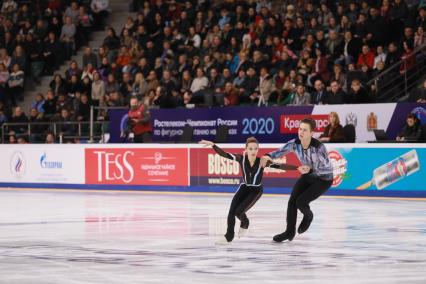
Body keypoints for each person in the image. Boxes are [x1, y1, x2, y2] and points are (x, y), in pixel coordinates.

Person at [199, 137, 299, 243]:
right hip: (244, 187)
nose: (253, 151)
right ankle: (229, 236)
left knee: (239, 212)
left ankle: (245, 222)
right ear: (246, 149)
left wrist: (297, 168)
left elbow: (280, 166)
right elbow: (225, 154)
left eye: (255, 149)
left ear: (258, 150)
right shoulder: (241, 159)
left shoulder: (262, 161)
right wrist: (213, 145)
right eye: (250, 149)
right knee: (232, 211)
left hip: (256, 191)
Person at [261, 118, 333, 242]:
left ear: (311, 133)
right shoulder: (295, 144)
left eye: (305, 130)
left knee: (301, 202)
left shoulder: (319, 147)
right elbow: (280, 152)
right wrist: (268, 156)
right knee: (292, 202)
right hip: (308, 175)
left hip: (324, 179)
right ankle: (289, 232)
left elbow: (327, 169)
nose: (301, 132)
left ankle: (308, 216)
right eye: (300, 129)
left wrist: (310, 169)